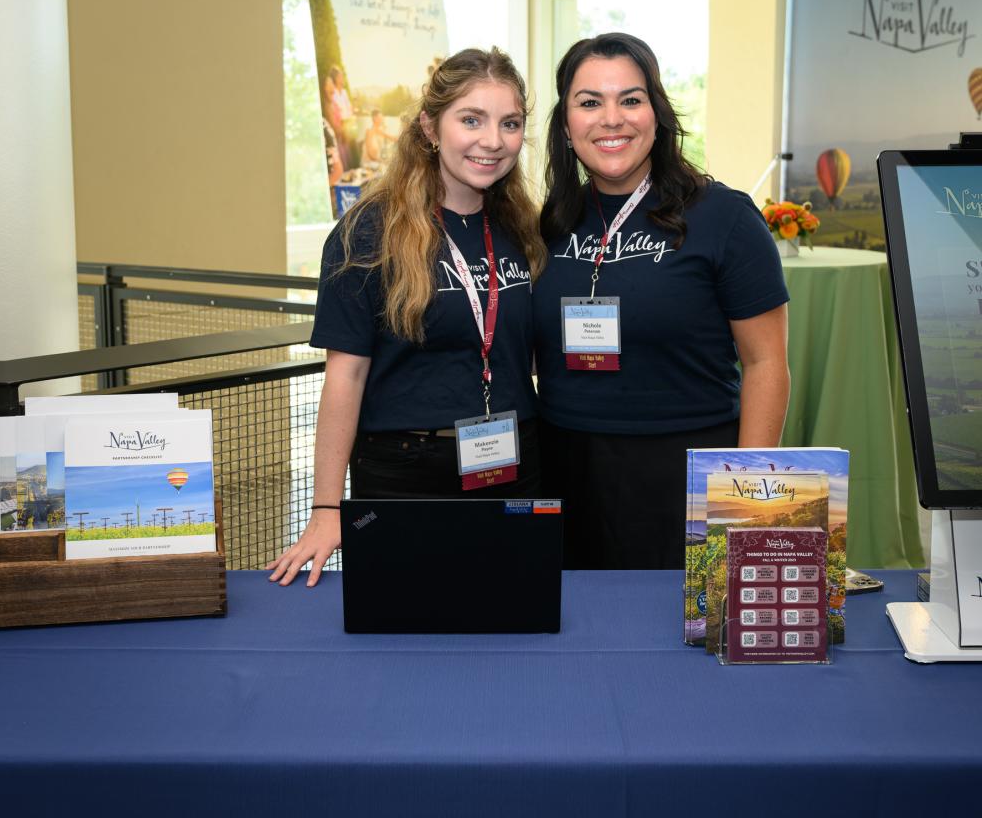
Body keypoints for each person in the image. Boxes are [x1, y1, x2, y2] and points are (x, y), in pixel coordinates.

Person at [269, 48, 546, 587]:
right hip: (403, 475)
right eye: (472, 120)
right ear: (429, 127)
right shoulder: (368, 234)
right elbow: (344, 377)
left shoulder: (523, 226)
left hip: (515, 467)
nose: (493, 140)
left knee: (516, 627)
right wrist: (327, 510)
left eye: (509, 123)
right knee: (399, 642)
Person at [533, 32, 790, 570]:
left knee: (681, 640)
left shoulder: (723, 217)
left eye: (630, 99)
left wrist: (746, 500)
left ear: (657, 112)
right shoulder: (549, 223)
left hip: (686, 473)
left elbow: (767, 363)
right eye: (589, 102)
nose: (612, 118)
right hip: (567, 472)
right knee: (576, 641)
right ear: (565, 124)